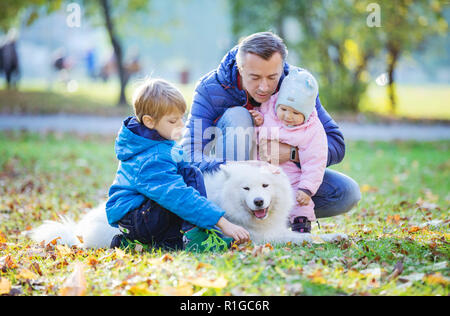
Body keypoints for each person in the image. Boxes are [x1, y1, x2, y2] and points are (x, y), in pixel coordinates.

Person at [181, 31, 361, 231]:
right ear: (240, 69)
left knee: (347, 192)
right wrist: (236, 166)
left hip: (284, 179)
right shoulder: (210, 89)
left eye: (272, 77)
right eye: (255, 77)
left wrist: (291, 153)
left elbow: (335, 143)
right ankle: (236, 223)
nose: (264, 87)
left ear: (282, 68)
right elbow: (188, 154)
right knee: (239, 116)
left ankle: (272, 220)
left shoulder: (298, 85)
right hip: (234, 185)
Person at [106, 78, 250, 252]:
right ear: (150, 122)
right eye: (173, 121)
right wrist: (221, 222)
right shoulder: (153, 157)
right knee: (187, 180)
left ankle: (135, 244)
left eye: (182, 118)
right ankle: (196, 237)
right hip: (136, 218)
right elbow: (178, 196)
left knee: (190, 173)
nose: (181, 125)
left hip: (143, 215)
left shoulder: (159, 142)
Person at [251, 70, 326, 233]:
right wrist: (258, 120)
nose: (288, 116)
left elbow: (315, 161)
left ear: (306, 114)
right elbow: (259, 133)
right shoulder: (269, 110)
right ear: (278, 103)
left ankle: (301, 224)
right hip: (261, 168)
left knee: (299, 200)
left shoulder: (311, 130)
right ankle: (261, 224)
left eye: (296, 113)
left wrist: (306, 188)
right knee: (259, 192)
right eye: (284, 109)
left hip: (290, 173)